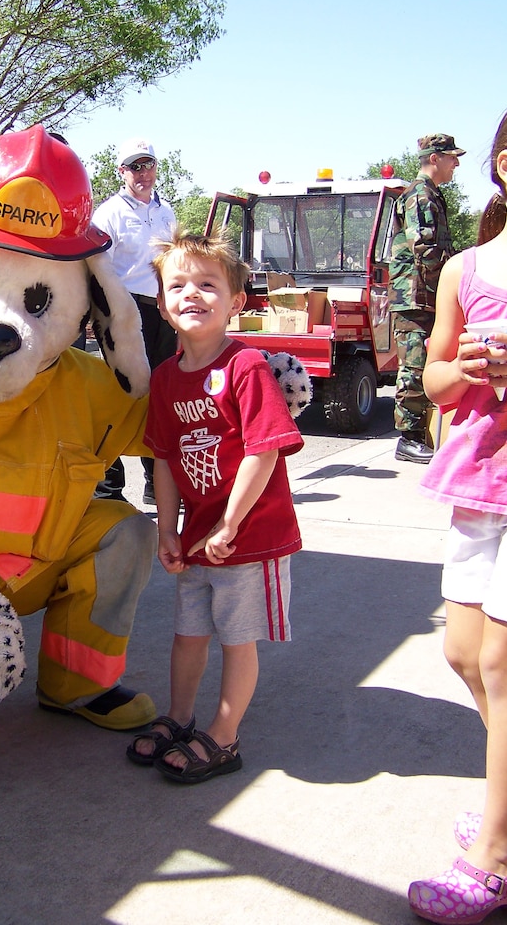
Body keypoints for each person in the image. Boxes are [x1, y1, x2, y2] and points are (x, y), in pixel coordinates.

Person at [125, 230, 303, 784]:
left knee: (236, 637)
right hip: (199, 537)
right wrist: (166, 529)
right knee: (188, 633)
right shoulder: (164, 379)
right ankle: (180, 718)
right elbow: (165, 459)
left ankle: (224, 736)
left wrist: (231, 523)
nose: (192, 295)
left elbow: (264, 450)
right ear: (162, 304)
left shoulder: (245, 366)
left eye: (208, 284)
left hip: (250, 538)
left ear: (236, 302)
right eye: (178, 285)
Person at [407, 109, 507, 923]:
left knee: (506, 666)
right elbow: (434, 381)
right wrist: (465, 365)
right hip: (479, 480)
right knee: (462, 655)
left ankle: (498, 854)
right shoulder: (465, 268)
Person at [92, 137, 177, 504]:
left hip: (161, 311)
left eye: (148, 165)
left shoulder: (166, 212)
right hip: (123, 312)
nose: (143, 173)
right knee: (118, 395)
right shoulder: (108, 213)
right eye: (134, 167)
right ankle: (109, 489)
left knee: (159, 395)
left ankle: (155, 483)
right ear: (122, 172)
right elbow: (97, 267)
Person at [390, 132, 464, 464]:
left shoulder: (429, 194)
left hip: (423, 294)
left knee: (422, 361)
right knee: (415, 364)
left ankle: (420, 433)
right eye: (452, 157)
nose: (456, 163)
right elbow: (428, 252)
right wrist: (455, 288)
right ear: (435, 158)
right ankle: (409, 438)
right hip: (417, 295)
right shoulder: (420, 195)